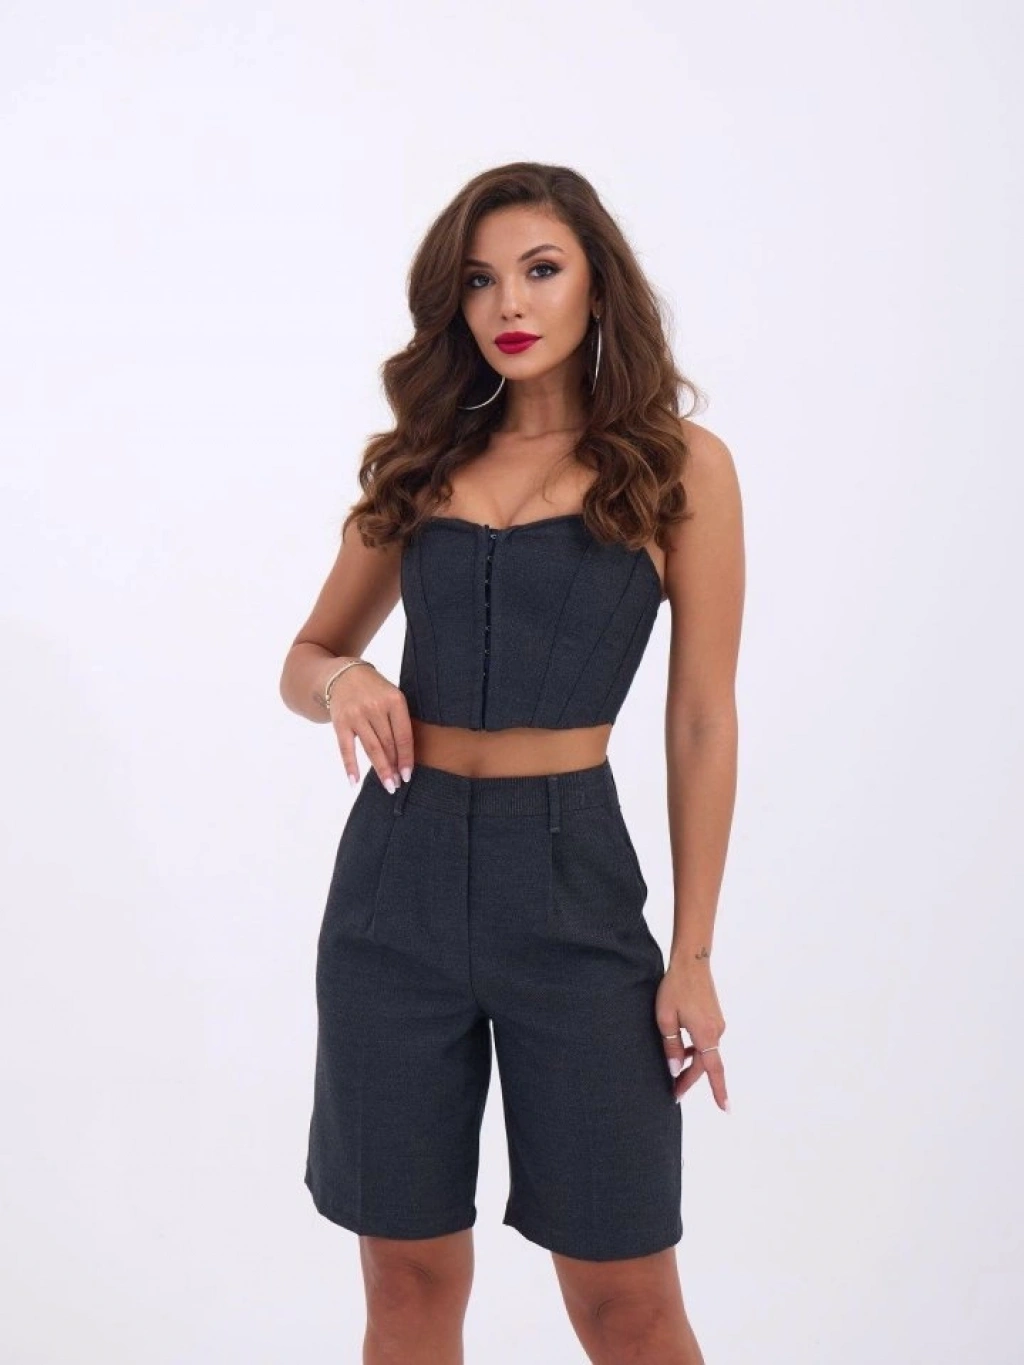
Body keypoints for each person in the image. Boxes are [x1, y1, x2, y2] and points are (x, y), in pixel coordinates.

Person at [279, 161, 744, 1365]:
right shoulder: (422, 463)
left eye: (540, 269)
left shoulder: (679, 466)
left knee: (627, 1302)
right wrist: (346, 681)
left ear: (598, 284)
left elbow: (701, 718)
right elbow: (306, 655)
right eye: (480, 281)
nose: (509, 303)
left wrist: (691, 954)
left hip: (573, 892)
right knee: (406, 1282)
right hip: (393, 891)